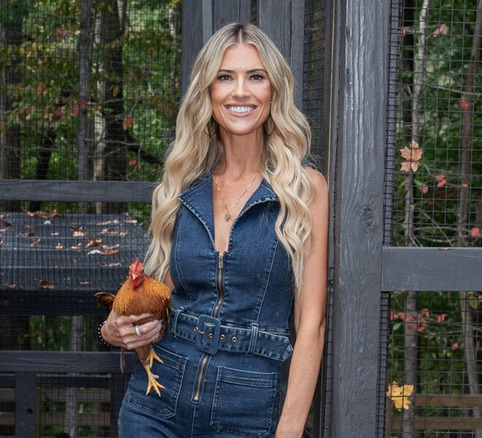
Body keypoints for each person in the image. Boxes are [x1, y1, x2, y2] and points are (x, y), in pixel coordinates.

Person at [100, 22, 328, 437]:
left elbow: (310, 322)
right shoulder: (186, 184)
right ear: (208, 92)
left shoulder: (303, 188)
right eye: (225, 77)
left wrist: (289, 432)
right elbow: (159, 298)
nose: (240, 91)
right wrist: (113, 329)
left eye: (255, 77)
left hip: (248, 411)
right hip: (155, 404)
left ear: (273, 90)